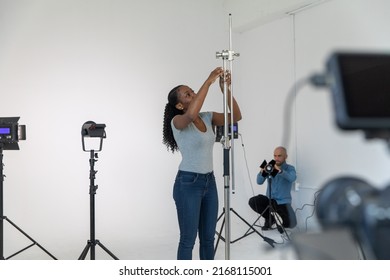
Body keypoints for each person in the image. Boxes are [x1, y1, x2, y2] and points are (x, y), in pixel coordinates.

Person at [162, 67, 242, 260]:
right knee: (188, 240)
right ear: (180, 105)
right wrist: (208, 81)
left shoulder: (208, 116)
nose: (194, 93)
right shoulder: (178, 121)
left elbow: (236, 116)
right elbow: (190, 116)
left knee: (208, 239)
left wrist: (225, 90)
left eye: (192, 91)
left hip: (209, 182)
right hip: (188, 184)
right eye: (188, 94)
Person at [248, 146, 297, 230]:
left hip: (282, 202)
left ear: (286, 156)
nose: (276, 158)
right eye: (275, 156)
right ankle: (270, 219)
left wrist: (280, 171)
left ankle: (279, 219)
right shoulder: (270, 167)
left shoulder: (289, 168)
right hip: (269, 199)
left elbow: (292, 178)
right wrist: (262, 171)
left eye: (279, 156)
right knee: (253, 201)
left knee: (291, 224)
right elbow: (259, 182)